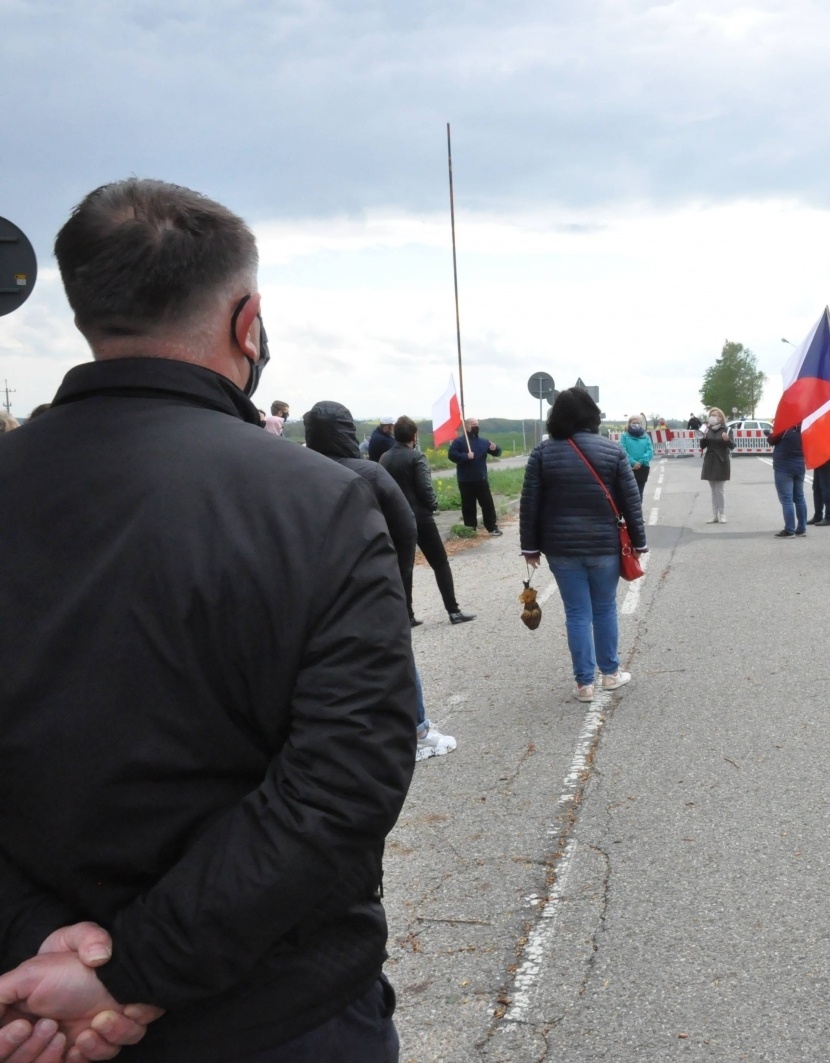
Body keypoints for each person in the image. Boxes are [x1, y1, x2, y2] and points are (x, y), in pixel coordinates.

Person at [0, 177, 417, 1061]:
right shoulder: (322, 504)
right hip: (283, 1012)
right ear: (247, 322)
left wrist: (42, 944)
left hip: (37, 1006)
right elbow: (344, 783)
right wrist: (128, 969)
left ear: (83, 313)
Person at [305, 402, 456, 763]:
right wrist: (396, 583)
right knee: (395, 655)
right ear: (348, 431)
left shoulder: (292, 471)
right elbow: (405, 527)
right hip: (369, 585)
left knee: (328, 664)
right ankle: (418, 731)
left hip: (314, 592)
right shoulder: (369, 473)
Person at [520, 386, 648, 703]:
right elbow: (631, 502)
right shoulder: (612, 451)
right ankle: (610, 674)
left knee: (576, 613)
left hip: (561, 549)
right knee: (604, 608)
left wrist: (530, 547)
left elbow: (530, 504)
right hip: (604, 545)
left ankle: (584, 684)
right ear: (592, 416)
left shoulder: (542, 454)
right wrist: (640, 542)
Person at [380, 416, 476, 626]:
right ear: (414, 436)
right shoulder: (417, 457)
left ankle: (407, 615)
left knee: (404, 568)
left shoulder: (384, 459)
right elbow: (425, 488)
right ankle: (453, 611)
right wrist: (433, 504)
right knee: (440, 563)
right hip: (420, 517)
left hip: (396, 518)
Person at [447, 417, 503, 536]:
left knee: (487, 504)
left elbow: (497, 452)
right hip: (465, 480)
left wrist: (495, 448)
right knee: (468, 506)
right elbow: (451, 455)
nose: (476, 426)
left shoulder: (483, 442)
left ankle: (492, 527)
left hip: (481, 478)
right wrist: (466, 456)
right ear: (466, 427)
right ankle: (470, 528)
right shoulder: (459, 442)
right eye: (473, 424)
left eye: (477, 424)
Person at [767, 424, 808, 537]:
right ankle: (802, 528)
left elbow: (772, 440)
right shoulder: (804, 428)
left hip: (784, 467)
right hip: (800, 465)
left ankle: (790, 529)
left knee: (786, 499)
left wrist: (770, 433)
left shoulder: (784, 428)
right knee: (799, 498)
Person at [699, 406, 733, 523]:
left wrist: (727, 439)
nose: (713, 417)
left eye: (716, 415)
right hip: (710, 460)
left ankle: (722, 514)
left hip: (721, 461)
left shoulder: (726, 429)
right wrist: (703, 437)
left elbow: (732, 446)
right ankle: (714, 515)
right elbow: (702, 446)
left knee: (720, 490)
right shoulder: (707, 430)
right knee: (713, 491)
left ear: (721, 417)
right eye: (711, 415)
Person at [621, 414, 653, 493]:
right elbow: (622, 450)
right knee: (629, 493)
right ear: (629, 424)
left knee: (639, 492)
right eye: (634, 423)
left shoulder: (646, 436)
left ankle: (639, 506)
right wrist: (633, 462)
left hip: (643, 467)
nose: (636, 425)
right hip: (629, 467)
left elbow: (650, 451)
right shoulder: (625, 436)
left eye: (638, 423)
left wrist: (641, 462)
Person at [810, 452, 830, 527]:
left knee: (825, 486)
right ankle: (818, 515)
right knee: (817, 486)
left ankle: (829, 517)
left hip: (826, 454)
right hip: (819, 453)